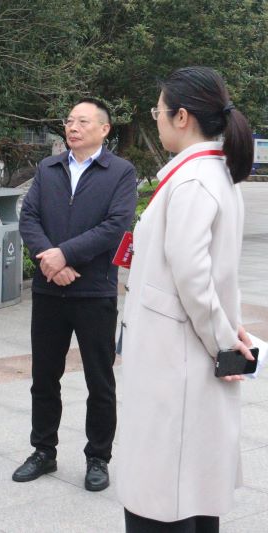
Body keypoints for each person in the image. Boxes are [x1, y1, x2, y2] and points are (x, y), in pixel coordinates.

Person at [117, 66, 255, 532]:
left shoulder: (194, 180)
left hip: (174, 359)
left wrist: (223, 340)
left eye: (157, 111)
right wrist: (227, 328)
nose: (154, 118)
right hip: (181, 354)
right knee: (191, 485)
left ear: (181, 117)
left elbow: (193, 275)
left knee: (165, 490)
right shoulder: (211, 174)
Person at [15, 98, 137, 491]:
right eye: (70, 121)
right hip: (49, 290)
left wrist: (65, 254)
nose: (73, 127)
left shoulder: (120, 172)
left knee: (100, 381)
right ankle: (43, 451)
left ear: (104, 129)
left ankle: (98, 457)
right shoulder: (48, 168)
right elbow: (29, 218)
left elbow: (116, 225)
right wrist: (50, 260)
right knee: (43, 377)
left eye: (83, 121)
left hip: (94, 291)